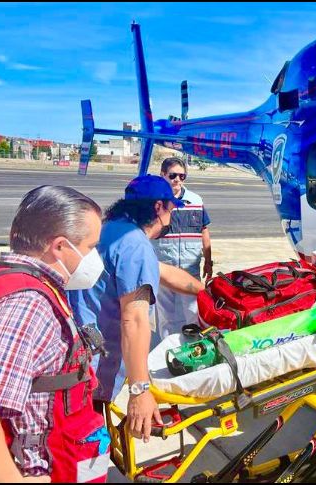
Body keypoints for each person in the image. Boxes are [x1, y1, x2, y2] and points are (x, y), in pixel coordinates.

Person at [0, 186, 108, 482]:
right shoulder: (26, 304)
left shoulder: (8, 282)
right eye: (91, 247)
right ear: (60, 247)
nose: (94, 257)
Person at [68, 175, 204, 444]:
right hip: (90, 371)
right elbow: (135, 319)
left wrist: (207, 291)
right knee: (82, 452)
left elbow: (162, 272)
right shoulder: (136, 246)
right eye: (171, 208)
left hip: (74, 354)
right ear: (158, 208)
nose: (172, 214)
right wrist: (140, 390)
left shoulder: (113, 230)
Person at [152, 157, 213, 339]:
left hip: (189, 269)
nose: (177, 180)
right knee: (166, 316)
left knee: (193, 312)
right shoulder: (155, 202)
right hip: (164, 268)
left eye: (181, 176)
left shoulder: (195, 200)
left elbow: (204, 230)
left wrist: (208, 261)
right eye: (172, 175)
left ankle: (194, 349)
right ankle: (167, 349)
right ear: (162, 175)